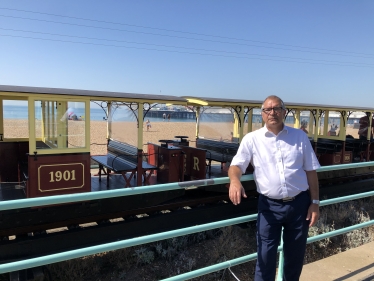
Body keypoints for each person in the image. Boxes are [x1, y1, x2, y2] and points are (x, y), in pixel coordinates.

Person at [228, 95, 320, 281]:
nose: (272, 113)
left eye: (277, 108)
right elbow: (236, 166)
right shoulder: (252, 139)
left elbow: (311, 172)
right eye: (267, 110)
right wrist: (235, 181)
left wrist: (315, 203)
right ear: (262, 114)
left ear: (284, 112)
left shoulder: (299, 137)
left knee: (295, 258)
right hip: (269, 207)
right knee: (264, 257)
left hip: (299, 205)